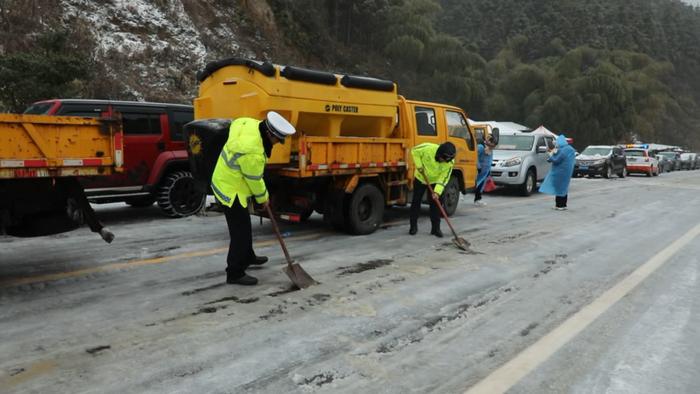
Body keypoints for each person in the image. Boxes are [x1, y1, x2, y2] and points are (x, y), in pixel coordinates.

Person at [211, 111, 296, 285]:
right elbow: (255, 180)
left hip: (225, 178)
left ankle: (247, 256)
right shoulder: (253, 152)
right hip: (231, 190)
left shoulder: (249, 123)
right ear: (269, 134)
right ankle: (234, 272)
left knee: (244, 226)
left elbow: (236, 121)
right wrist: (263, 198)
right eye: (276, 140)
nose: (277, 144)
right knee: (239, 233)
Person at [409, 142, 456, 238]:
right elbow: (414, 151)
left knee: (435, 204)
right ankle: (413, 226)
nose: (444, 162)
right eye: (443, 159)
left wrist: (437, 192)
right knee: (416, 202)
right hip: (421, 178)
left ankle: (435, 229)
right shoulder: (428, 148)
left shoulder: (449, 162)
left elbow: (444, 178)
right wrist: (419, 166)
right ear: (439, 153)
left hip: (435, 181)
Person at [539, 135, 576, 210]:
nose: (556, 144)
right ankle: (563, 205)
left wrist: (550, 156)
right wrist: (552, 155)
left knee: (559, 188)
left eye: (557, 142)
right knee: (563, 188)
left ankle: (559, 205)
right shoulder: (569, 149)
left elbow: (557, 160)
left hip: (561, 171)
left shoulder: (563, 150)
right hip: (567, 171)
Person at [474, 134, 497, 206]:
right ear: (488, 141)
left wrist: (489, 169)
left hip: (485, 171)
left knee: (481, 185)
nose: (493, 146)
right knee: (476, 184)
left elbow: (489, 159)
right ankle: (474, 198)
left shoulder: (490, 149)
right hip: (479, 170)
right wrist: (478, 166)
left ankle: (478, 199)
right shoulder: (481, 147)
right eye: (492, 144)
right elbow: (475, 157)